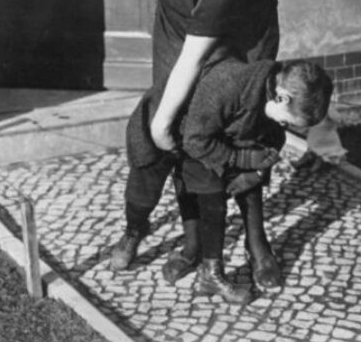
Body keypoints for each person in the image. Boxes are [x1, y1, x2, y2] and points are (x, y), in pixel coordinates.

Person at [86, 0, 283, 287]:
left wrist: (158, 125)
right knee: (180, 136)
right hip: (178, 38)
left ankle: (257, 241)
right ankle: (194, 244)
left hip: (240, 48)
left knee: (236, 135)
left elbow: (197, 57)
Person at [127, 58, 333, 302]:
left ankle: (212, 269)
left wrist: (255, 173)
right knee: (147, 194)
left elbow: (272, 140)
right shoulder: (229, 84)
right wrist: (240, 158)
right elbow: (195, 141)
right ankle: (137, 231)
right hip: (160, 129)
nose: (283, 126)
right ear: (283, 97)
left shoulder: (271, 91)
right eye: (286, 121)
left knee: (208, 186)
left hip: (201, 134)